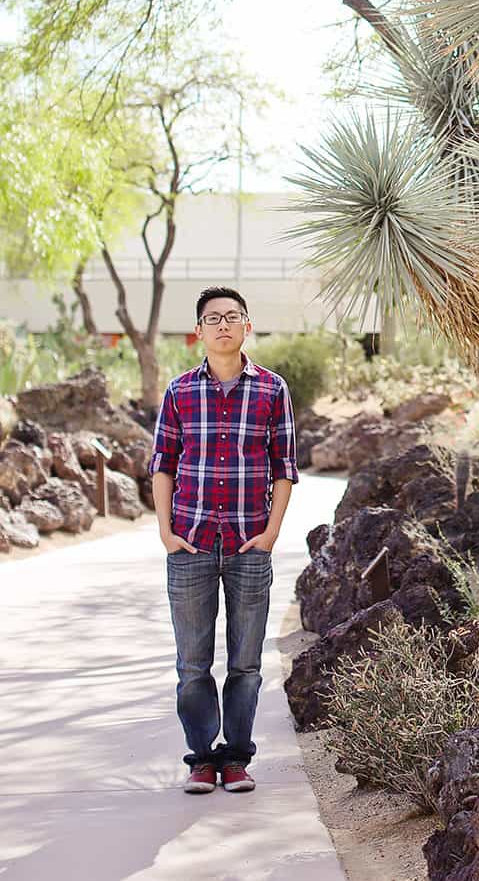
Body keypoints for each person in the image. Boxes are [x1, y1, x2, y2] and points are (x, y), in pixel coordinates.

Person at [149, 286, 298, 794]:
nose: (223, 325)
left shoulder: (273, 390)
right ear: (199, 331)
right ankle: (200, 759)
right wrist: (167, 532)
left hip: (247, 545)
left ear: (247, 325)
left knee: (246, 664)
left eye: (232, 316)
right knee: (192, 665)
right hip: (190, 543)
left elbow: (284, 468)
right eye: (213, 318)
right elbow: (163, 465)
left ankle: (235, 759)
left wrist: (271, 533)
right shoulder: (179, 392)